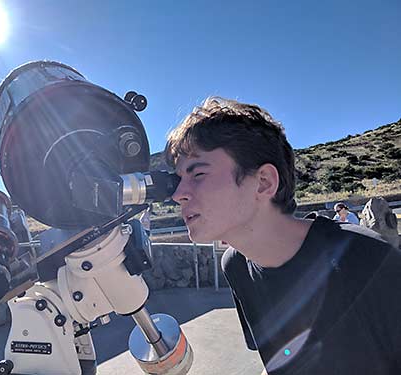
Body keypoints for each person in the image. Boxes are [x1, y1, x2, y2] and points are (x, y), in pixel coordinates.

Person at [165, 96, 401, 374]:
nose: (178, 194)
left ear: (264, 183)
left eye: (198, 174)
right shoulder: (236, 266)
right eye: (178, 179)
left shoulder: (366, 257)